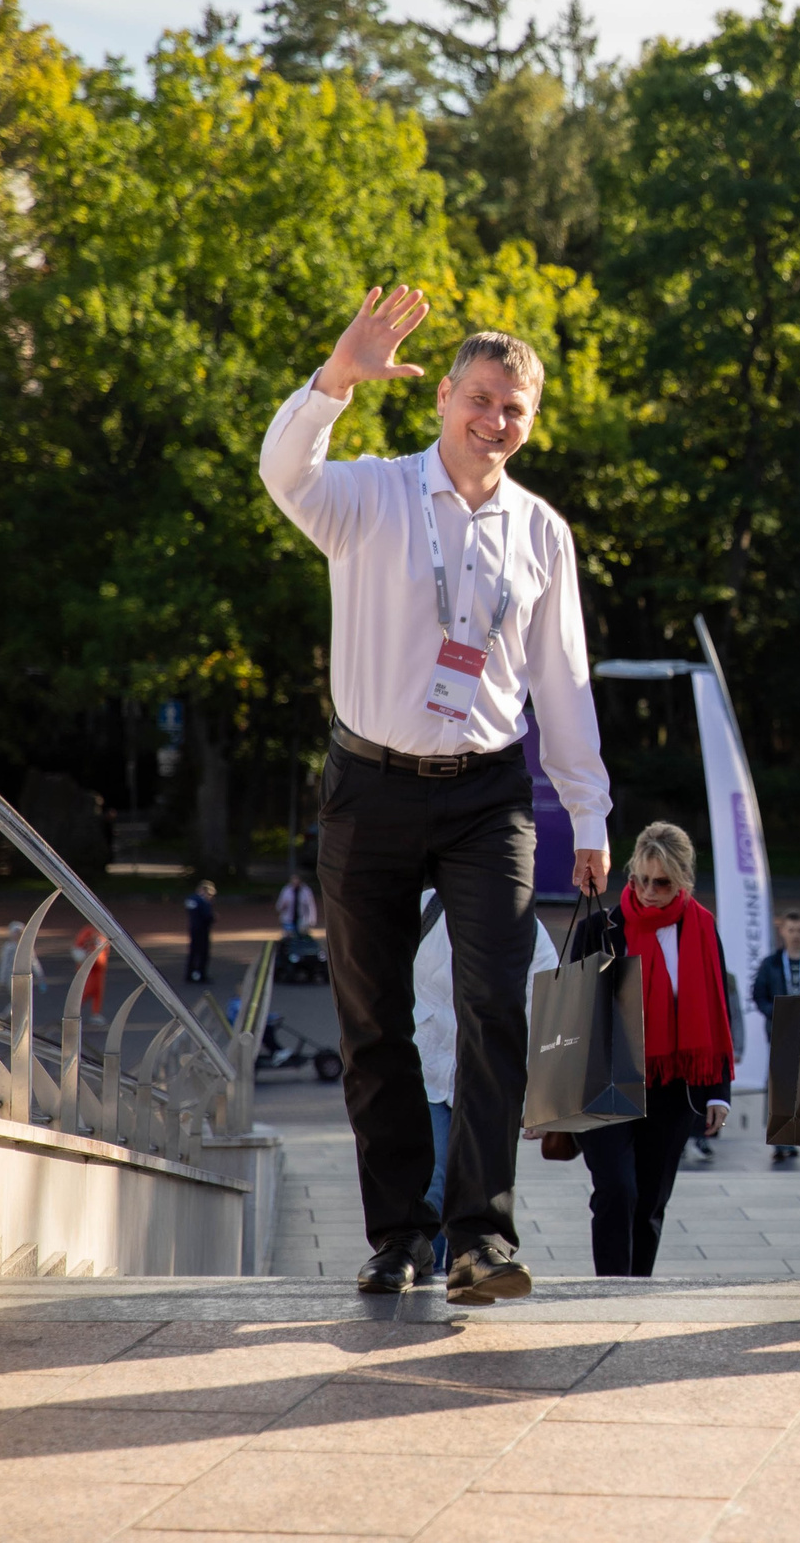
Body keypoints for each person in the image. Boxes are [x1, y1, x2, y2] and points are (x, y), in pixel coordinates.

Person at [259, 287, 613, 1306]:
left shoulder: (541, 531)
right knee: (372, 1019)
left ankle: (480, 1238)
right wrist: (332, 382)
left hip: (486, 794)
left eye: (516, 408)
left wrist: (585, 814)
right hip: (367, 780)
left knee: (495, 1000)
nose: (496, 421)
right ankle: (398, 1234)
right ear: (444, 397)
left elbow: (564, 678)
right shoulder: (367, 494)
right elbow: (284, 471)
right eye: (481, 399)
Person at [574, 823, 734, 1276]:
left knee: (649, 1202)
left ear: (683, 879)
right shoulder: (601, 929)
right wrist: (546, 1093)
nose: (647, 891)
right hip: (603, 1083)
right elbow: (567, 1017)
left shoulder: (701, 928)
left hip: (673, 1088)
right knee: (616, 1190)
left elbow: (717, 1006)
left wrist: (717, 1091)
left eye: (661, 882)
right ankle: (609, 1292)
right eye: (640, 879)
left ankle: (635, 1292)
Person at [411, 885, 561, 1272]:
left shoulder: (527, 931)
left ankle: (454, 1271)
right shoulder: (427, 907)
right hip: (425, 1069)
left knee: (467, 1189)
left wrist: (538, 1103)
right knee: (434, 1182)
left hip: (483, 1079)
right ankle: (423, 1268)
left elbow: (543, 1018)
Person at [749, 909, 800, 1161]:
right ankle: (780, 1139)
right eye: (790, 930)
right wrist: (775, 1013)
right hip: (780, 1031)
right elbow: (758, 994)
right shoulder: (771, 963)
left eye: (799, 930)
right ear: (782, 931)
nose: (795, 935)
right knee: (780, 1085)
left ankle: (795, 1135)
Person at [69, 924, 109, 1021]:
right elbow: (77, 948)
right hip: (88, 967)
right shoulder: (88, 931)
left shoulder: (104, 934)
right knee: (86, 990)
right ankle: (72, 1011)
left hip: (100, 967)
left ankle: (96, 1013)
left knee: (98, 991)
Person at [184, 881, 217, 984]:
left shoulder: (191, 899)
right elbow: (207, 916)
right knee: (203, 953)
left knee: (193, 952)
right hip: (202, 929)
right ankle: (201, 974)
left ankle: (190, 973)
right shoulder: (202, 901)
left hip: (194, 929)